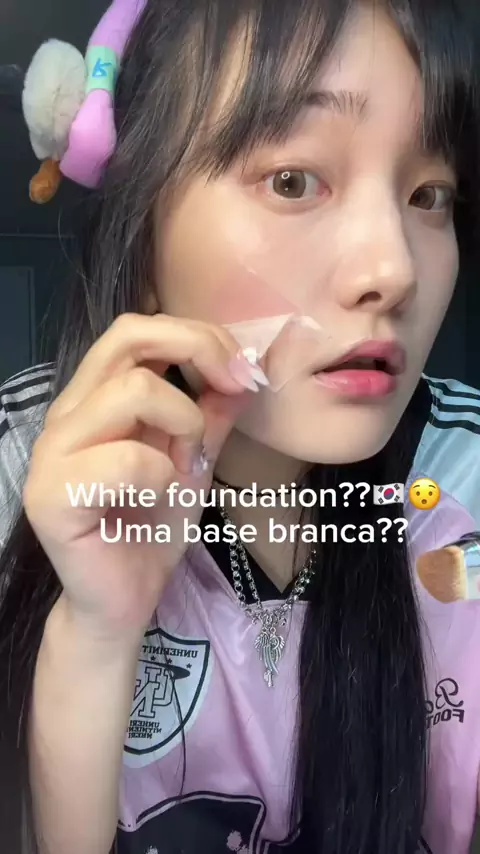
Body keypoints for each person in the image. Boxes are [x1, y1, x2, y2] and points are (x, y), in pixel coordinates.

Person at [1, 1, 480, 852]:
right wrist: (94, 641)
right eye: (294, 180)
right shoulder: (17, 471)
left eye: (428, 194)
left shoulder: (464, 488)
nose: (394, 268)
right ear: (143, 225)